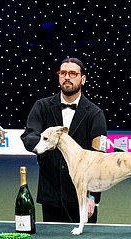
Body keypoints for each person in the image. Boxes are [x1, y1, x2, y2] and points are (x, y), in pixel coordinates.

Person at [21, 57, 107, 223]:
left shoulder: (96, 114)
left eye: (73, 73)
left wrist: (94, 198)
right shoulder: (42, 106)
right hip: (50, 195)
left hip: (83, 198)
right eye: (63, 73)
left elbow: (100, 158)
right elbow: (29, 135)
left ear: (83, 79)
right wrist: (44, 144)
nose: (67, 77)